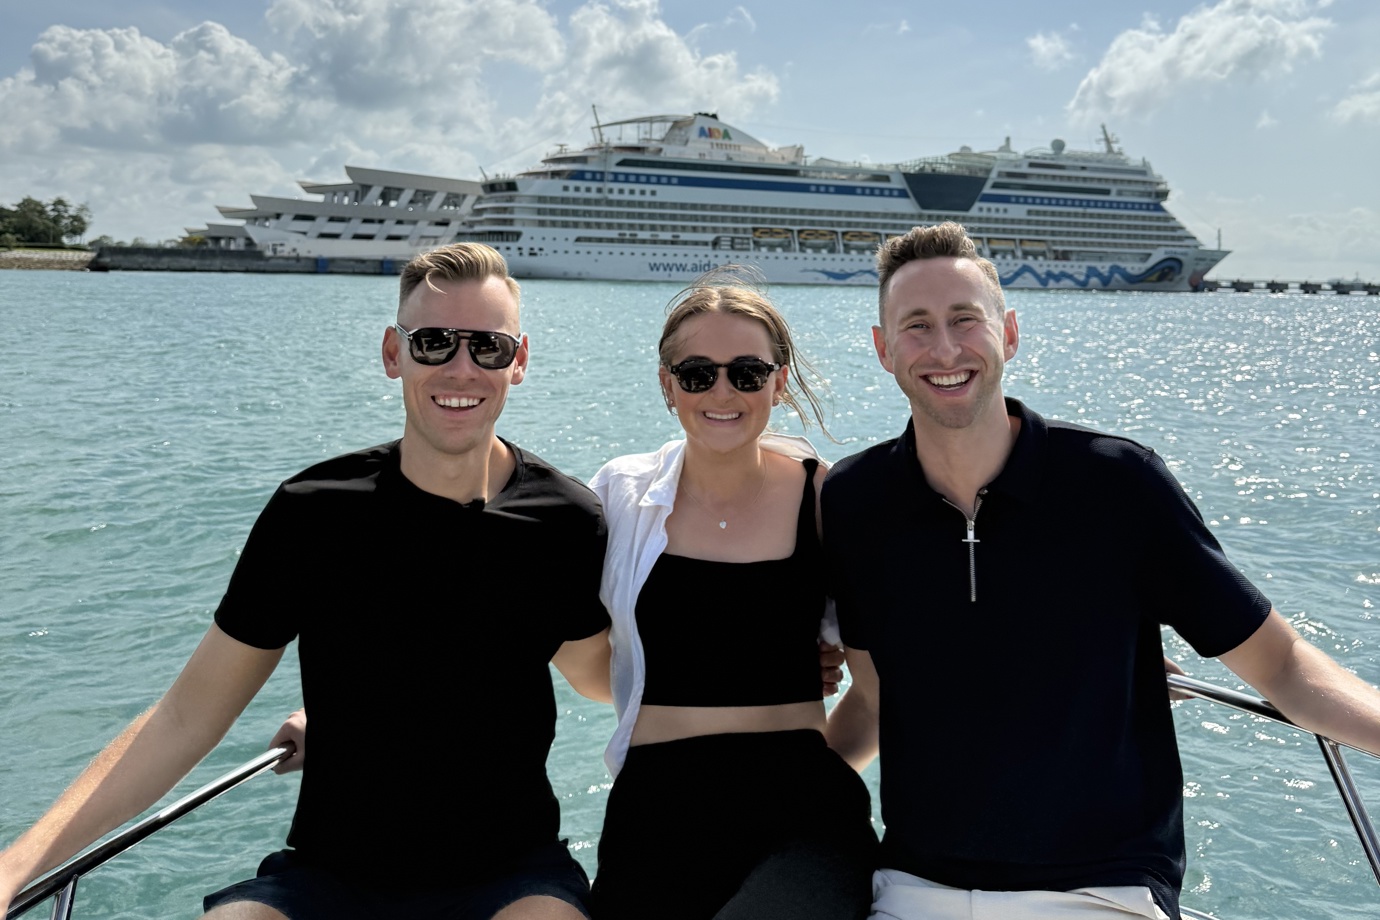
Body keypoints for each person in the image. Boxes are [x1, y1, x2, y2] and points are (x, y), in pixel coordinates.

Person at [0, 243, 613, 920]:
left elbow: (600, 674)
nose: (460, 368)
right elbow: (186, 716)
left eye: (488, 347)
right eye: (433, 342)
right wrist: (14, 868)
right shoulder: (313, 510)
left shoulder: (564, 519)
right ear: (392, 353)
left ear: (518, 360)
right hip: (332, 874)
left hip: (512, 873)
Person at [821, 221, 1380, 920]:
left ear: (1009, 333)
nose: (944, 349)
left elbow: (1284, 668)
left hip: (1103, 890)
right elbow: (874, 700)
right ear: (882, 349)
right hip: (914, 887)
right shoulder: (855, 502)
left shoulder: (1118, 484)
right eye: (916, 326)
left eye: (966, 321)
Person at [586, 272, 878, 920]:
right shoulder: (619, 497)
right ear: (667, 384)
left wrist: (818, 773)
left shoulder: (826, 498)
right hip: (653, 811)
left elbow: (885, 683)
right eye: (697, 373)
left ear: (778, 380)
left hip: (804, 818)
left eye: (747, 372)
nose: (723, 391)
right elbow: (503, 624)